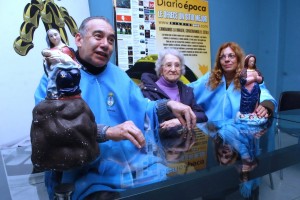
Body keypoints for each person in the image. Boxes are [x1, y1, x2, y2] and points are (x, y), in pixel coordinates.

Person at [34, 16, 196, 200]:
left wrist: (168, 105)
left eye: (111, 40)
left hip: (135, 167)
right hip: (87, 175)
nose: (106, 44)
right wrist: (106, 132)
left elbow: (144, 109)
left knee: (179, 189)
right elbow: (50, 127)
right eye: (98, 36)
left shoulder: (119, 75)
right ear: (79, 39)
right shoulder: (60, 76)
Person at [189, 42, 277, 200]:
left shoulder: (248, 76)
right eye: (222, 57)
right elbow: (189, 90)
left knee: (243, 181)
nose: (226, 60)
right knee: (214, 183)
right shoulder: (210, 78)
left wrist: (266, 106)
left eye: (231, 56)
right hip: (215, 139)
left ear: (238, 59)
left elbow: (265, 94)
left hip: (242, 138)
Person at [43, 28, 81, 99]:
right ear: (49, 39)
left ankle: (74, 93)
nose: (54, 37)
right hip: (58, 70)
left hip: (70, 66)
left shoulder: (68, 48)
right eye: (51, 36)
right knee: (63, 75)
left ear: (59, 35)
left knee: (75, 73)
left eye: (55, 35)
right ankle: (62, 94)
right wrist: (49, 61)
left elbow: (74, 60)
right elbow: (47, 66)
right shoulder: (49, 51)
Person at [239, 54, 264, 119]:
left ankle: (253, 112)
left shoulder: (256, 71)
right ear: (247, 62)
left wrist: (258, 78)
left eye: (253, 61)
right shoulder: (244, 71)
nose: (252, 63)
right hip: (246, 91)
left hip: (255, 90)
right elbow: (243, 81)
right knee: (245, 102)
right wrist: (253, 78)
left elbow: (261, 80)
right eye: (250, 61)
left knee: (254, 101)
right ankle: (244, 113)